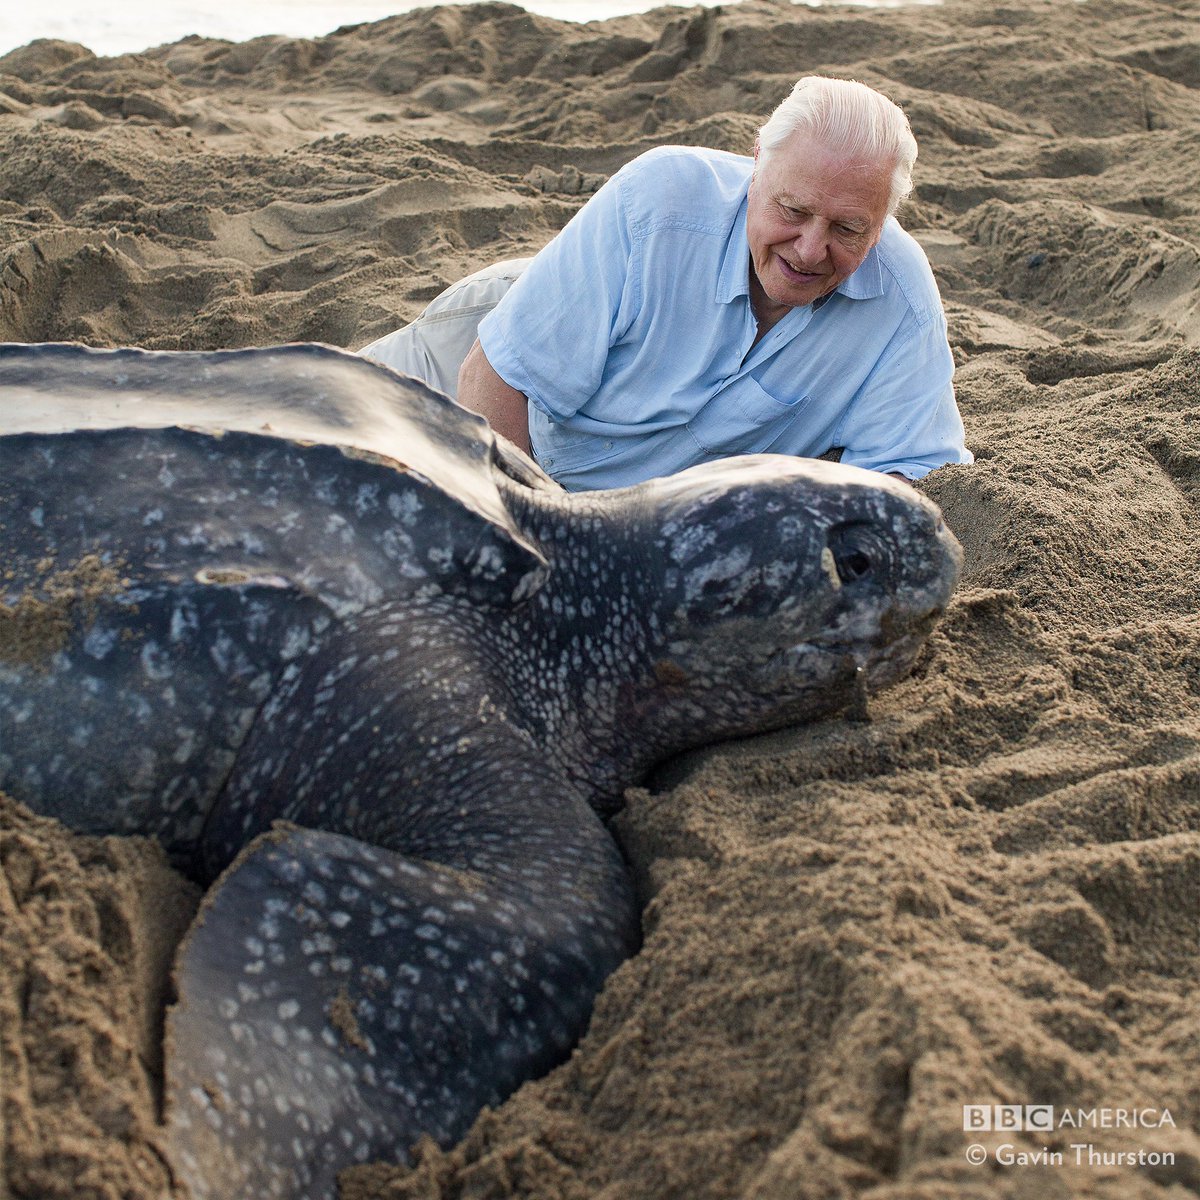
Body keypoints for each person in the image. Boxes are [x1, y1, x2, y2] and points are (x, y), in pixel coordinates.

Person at [359, 76, 972, 490]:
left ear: (884, 220)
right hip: (491, 345)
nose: (811, 250)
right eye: (792, 211)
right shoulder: (660, 199)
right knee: (293, 420)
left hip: (613, 482)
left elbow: (914, 475)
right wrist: (527, 538)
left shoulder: (900, 300)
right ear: (756, 166)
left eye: (847, 228)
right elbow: (495, 375)